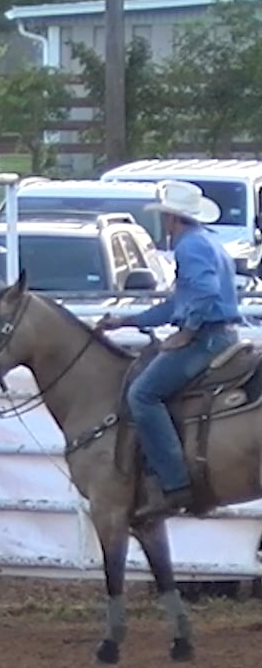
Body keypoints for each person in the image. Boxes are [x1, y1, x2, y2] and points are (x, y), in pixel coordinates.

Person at [96, 180, 242, 518]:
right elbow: (178, 302)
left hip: (206, 340)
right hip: (220, 335)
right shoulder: (208, 242)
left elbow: (204, 293)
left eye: (165, 217)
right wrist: (128, 321)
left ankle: (175, 484)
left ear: (172, 219)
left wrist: (187, 333)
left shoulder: (189, 247)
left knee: (142, 395)